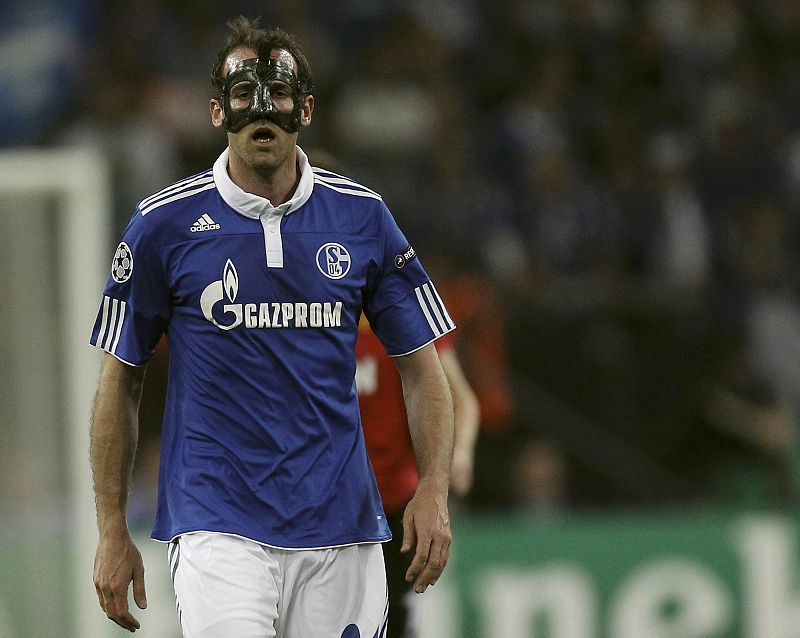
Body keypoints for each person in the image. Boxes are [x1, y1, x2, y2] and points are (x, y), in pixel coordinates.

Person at [88, 17, 455, 637]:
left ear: (305, 108)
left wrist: (434, 489)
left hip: (343, 525)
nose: (262, 109)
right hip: (216, 522)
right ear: (215, 111)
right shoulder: (162, 225)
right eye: (242, 95)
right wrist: (110, 529)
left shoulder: (362, 217)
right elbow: (119, 380)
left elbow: (423, 368)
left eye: (279, 94)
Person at [355, 318, 479, 637]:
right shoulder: (313, 308)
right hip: (329, 505)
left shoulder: (401, 308)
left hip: (396, 506)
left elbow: (462, 399)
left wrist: (459, 452)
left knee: (395, 620)